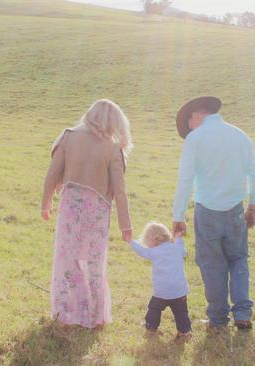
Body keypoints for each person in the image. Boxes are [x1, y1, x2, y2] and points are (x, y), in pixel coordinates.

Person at [41, 99, 133, 329]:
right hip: (98, 212)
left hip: (70, 207)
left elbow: (52, 175)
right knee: (94, 262)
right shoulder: (113, 148)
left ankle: (66, 312)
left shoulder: (68, 137)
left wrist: (46, 203)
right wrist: (125, 225)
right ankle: (95, 315)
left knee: (67, 258)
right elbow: (120, 191)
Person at [171, 96, 255, 330]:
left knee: (211, 263)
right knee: (239, 257)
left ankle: (218, 318)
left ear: (196, 116)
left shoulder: (195, 139)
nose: (189, 129)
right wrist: (252, 205)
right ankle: (242, 311)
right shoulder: (241, 136)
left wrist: (178, 215)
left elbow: (185, 179)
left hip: (207, 210)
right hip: (235, 209)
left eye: (188, 124)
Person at [129, 222, 191, 339]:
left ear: (153, 239)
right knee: (181, 313)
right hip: (179, 290)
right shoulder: (177, 247)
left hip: (162, 291)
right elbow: (184, 252)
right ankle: (184, 332)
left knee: (154, 309)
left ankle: (151, 326)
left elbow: (142, 251)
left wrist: (130, 241)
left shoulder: (154, 251)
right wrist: (178, 238)